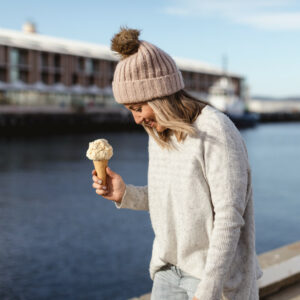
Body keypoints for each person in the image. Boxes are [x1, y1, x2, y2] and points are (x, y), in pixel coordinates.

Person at [91, 27, 263, 300]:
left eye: (138, 108)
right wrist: (125, 194)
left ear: (160, 96)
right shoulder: (158, 133)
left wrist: (208, 291)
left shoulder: (215, 129)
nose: (137, 119)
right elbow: (173, 198)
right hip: (168, 272)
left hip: (212, 280)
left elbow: (229, 218)